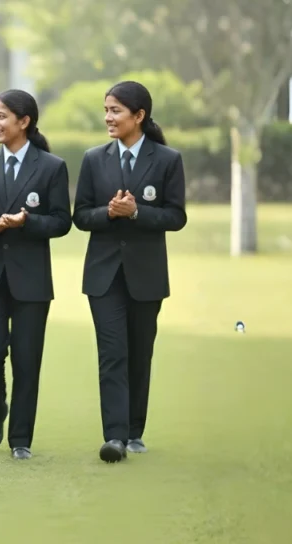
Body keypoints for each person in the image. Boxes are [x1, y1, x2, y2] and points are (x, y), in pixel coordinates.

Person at [71, 80, 187, 463]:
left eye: (115, 110)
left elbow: (176, 216)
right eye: (106, 109)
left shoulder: (168, 160)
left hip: (146, 275)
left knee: (140, 353)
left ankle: (135, 430)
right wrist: (108, 212)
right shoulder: (93, 159)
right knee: (112, 353)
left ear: (139, 116)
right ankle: (115, 437)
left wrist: (136, 213)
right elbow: (80, 216)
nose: (108, 117)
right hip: (103, 276)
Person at [0, 89, 71, 460]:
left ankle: (20, 438)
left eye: (1, 116)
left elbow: (61, 222)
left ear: (24, 122)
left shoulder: (52, 167)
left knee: (26, 359)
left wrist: (27, 222)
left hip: (31, 281)